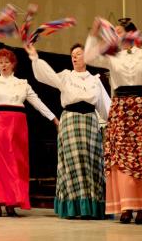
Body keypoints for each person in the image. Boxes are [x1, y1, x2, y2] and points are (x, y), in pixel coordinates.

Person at [84, 21, 142, 224]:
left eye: (119, 33)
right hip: (122, 110)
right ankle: (127, 206)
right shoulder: (112, 54)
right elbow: (89, 56)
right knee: (122, 158)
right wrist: (94, 32)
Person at [0, 38, 59, 217]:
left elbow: (38, 103)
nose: (3, 65)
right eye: (0, 62)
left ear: (13, 64)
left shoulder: (23, 83)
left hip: (17, 124)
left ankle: (11, 202)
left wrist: (54, 119)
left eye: (6, 62)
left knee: (16, 164)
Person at [25, 43, 111, 219]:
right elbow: (46, 76)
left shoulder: (94, 80)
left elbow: (105, 106)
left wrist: (115, 121)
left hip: (89, 122)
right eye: (73, 54)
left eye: (79, 54)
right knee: (73, 163)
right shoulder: (66, 76)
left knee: (91, 163)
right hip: (70, 121)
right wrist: (34, 56)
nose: (75, 57)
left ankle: (92, 207)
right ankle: (74, 207)